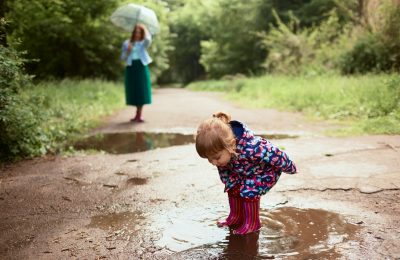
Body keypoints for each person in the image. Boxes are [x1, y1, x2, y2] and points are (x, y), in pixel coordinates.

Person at [195, 112, 297, 235]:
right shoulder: (223, 154)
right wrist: (230, 182)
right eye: (209, 159)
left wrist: (289, 167)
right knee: (233, 187)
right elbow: (227, 175)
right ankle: (235, 216)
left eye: (216, 158)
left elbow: (276, 154)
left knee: (249, 190)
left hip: (264, 173)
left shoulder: (254, 147)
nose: (213, 162)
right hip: (243, 173)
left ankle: (252, 223)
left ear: (231, 145)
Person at [121, 24, 152, 122]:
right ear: (133, 32)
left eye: (139, 32)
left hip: (141, 67)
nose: (137, 34)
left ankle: (139, 114)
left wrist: (145, 29)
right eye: (136, 32)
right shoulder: (127, 43)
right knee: (133, 90)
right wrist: (127, 51)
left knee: (141, 90)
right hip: (131, 67)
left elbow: (148, 40)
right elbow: (123, 57)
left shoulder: (143, 43)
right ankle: (136, 114)